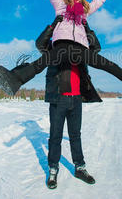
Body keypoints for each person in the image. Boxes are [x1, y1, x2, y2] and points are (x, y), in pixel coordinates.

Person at [35, 17, 100, 189]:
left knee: (75, 135)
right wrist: (54, 24)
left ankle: (80, 167)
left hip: (76, 98)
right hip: (58, 98)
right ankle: (53, 169)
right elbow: (40, 44)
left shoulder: (81, 50)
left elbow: (97, 48)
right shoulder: (54, 48)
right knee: (55, 136)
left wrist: (87, 27)